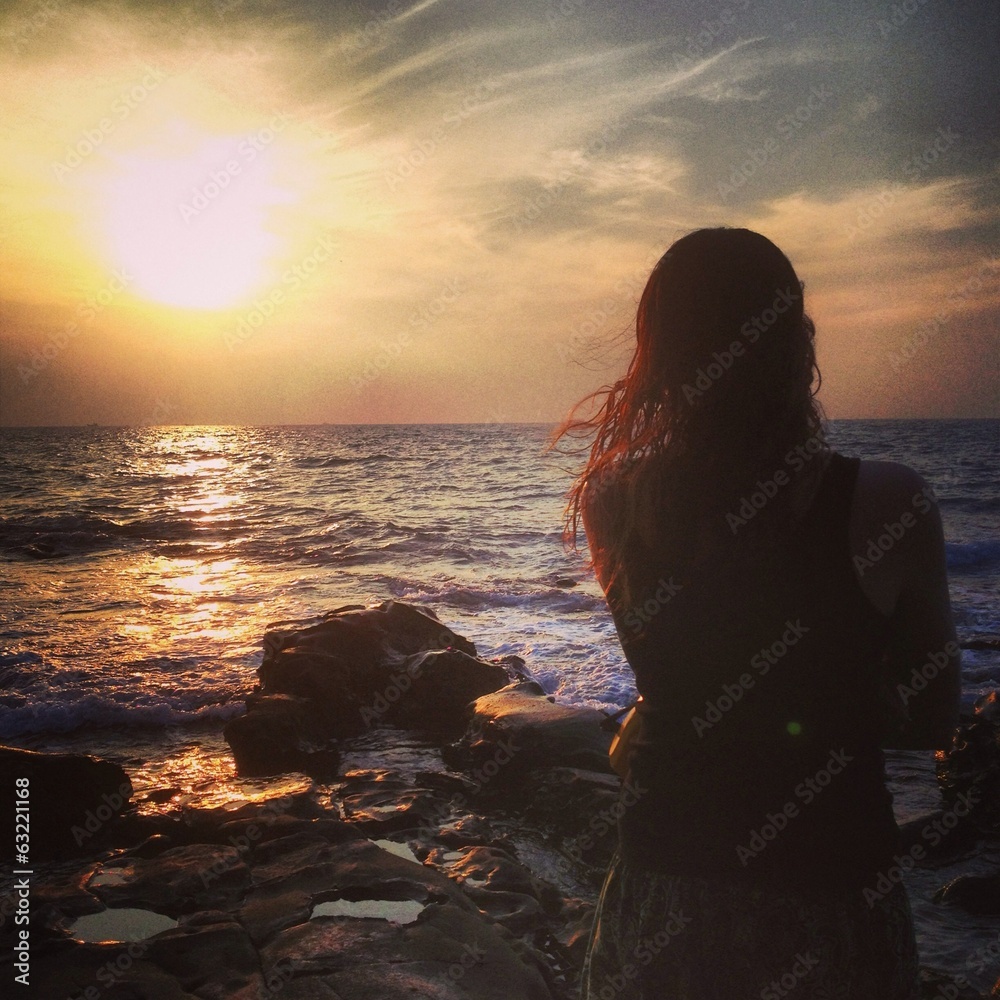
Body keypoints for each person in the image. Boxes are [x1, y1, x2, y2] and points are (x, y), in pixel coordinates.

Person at [555, 228, 961, 1000]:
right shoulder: (888, 501)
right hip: (835, 893)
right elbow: (933, 720)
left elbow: (683, 672)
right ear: (796, 341)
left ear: (659, 357)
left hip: (665, 887)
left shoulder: (618, 501)